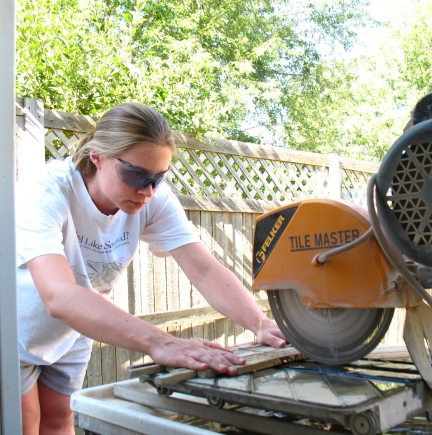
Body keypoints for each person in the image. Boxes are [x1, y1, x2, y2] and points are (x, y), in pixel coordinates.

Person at [16, 102, 287, 434]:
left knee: (60, 419)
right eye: (135, 175)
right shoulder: (46, 190)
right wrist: (162, 343)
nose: (147, 191)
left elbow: (203, 269)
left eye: (158, 178)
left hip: (77, 328)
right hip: (18, 328)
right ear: (98, 156)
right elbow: (58, 295)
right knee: (25, 423)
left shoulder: (153, 199)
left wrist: (257, 322)